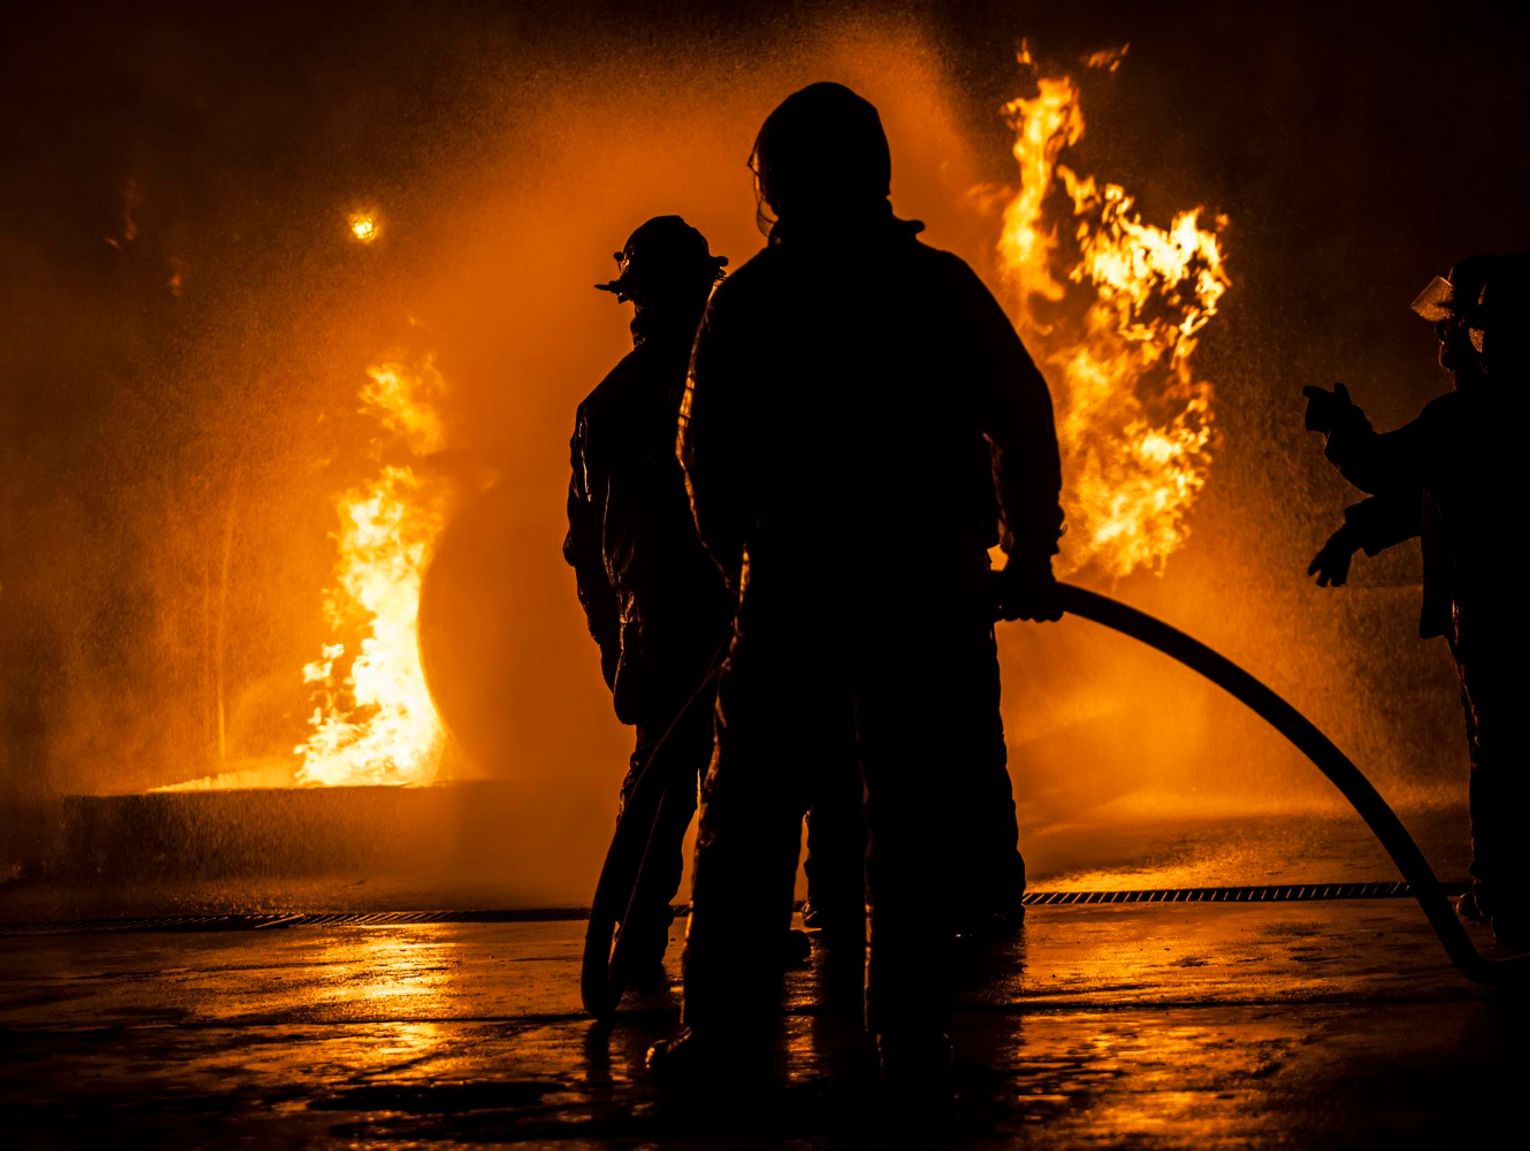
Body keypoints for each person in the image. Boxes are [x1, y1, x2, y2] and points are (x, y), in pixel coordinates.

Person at [648, 83, 1065, 1093]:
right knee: (915, 822)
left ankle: (723, 1037)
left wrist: (741, 570)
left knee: (749, 822)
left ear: (779, 181)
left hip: (794, 596)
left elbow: (703, 459)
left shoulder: (751, 302)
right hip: (927, 596)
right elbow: (1022, 414)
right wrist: (1028, 554)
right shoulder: (937, 287)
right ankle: (911, 1039)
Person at [1304, 254, 1525, 946]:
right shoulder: (1491, 418)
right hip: (1491, 611)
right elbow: (1432, 495)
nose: (1440, 335)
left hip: (1492, 614)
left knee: (1501, 752)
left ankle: (1509, 896)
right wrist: (1356, 533)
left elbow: (1386, 468)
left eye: (1450, 323)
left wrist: (1341, 426)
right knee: (1500, 747)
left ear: (1481, 334)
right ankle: (1502, 886)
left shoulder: (1459, 419)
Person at [563, 216, 735, 979]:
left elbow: (585, 548)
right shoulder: (729, 387)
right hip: (722, 618)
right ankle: (717, 936)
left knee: (665, 784)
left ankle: (638, 940)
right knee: (741, 784)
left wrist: (614, 638)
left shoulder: (605, 404)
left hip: (657, 626)